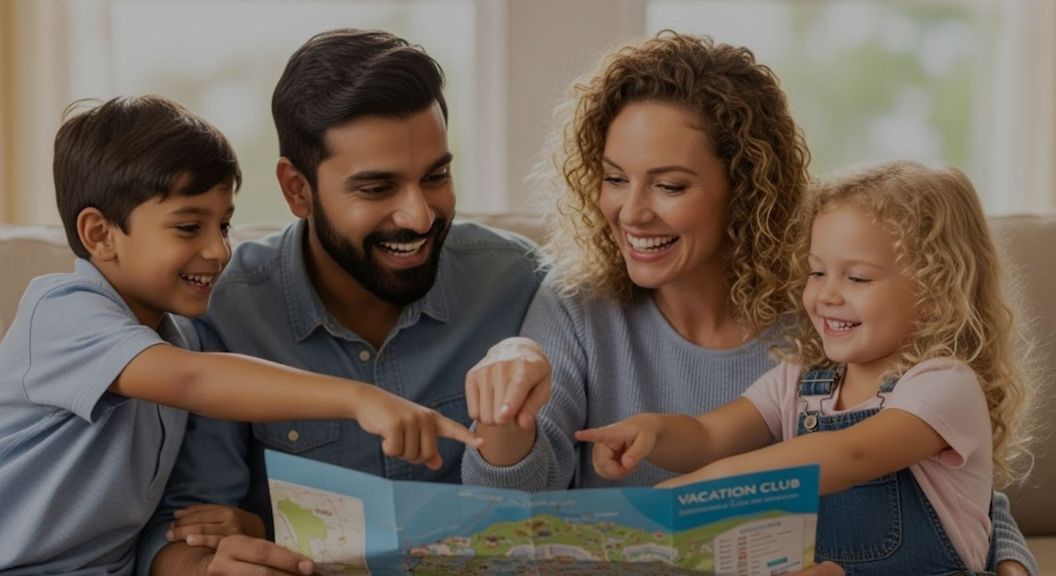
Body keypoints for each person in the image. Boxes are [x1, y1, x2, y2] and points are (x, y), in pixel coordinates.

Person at [460, 32, 1037, 575]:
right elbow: (507, 520)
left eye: (670, 185)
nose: (631, 213)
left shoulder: (823, 320)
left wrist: (1009, 562)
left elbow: (937, 480)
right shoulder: (580, 303)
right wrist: (528, 416)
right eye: (614, 178)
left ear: (745, 186)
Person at [0, 95, 482, 575]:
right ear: (99, 234)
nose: (218, 250)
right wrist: (360, 398)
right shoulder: (62, 313)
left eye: (224, 224)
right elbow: (193, 381)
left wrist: (245, 524)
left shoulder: (186, 334)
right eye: (189, 227)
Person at [138, 29, 544, 575]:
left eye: (436, 176)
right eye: (377, 189)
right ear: (296, 190)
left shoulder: (518, 283)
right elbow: (179, 530)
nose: (419, 216)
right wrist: (203, 567)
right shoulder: (224, 308)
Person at [577, 160, 1036, 575]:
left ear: (936, 292)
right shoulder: (800, 380)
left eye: (857, 278)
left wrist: (714, 487)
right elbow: (710, 436)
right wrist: (653, 432)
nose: (827, 295)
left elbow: (849, 457)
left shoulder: (943, 386)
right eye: (817, 272)